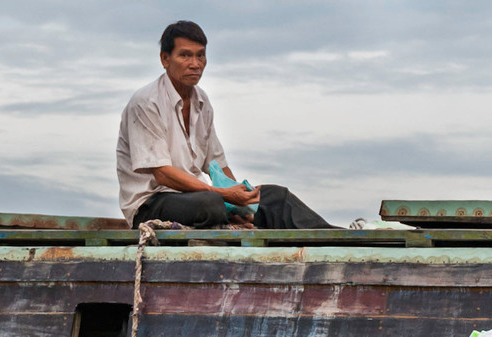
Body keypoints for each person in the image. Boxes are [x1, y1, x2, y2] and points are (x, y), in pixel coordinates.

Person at [116, 20, 335, 230]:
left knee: (275, 197)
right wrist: (224, 195)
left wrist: (242, 199)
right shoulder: (146, 102)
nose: (195, 64)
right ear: (165, 59)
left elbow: (218, 165)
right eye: (185, 55)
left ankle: (343, 239)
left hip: (198, 197)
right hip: (151, 203)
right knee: (211, 204)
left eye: (200, 55)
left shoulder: (202, 101)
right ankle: (229, 216)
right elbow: (162, 174)